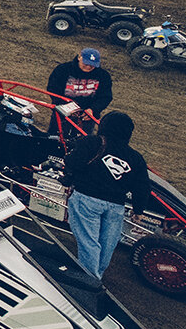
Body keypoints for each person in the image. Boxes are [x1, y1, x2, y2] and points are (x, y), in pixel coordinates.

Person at [65, 111, 151, 280]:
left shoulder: (91, 142)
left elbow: (73, 162)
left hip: (86, 199)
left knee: (88, 242)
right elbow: (142, 185)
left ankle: (89, 281)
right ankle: (98, 275)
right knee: (107, 245)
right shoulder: (136, 157)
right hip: (116, 206)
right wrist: (138, 209)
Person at [47, 47, 113, 121]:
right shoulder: (63, 70)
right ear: (79, 57)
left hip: (87, 116)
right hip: (63, 113)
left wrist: (93, 109)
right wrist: (65, 105)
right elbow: (52, 88)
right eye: (86, 63)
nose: (88, 67)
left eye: (92, 65)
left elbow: (105, 96)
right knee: (56, 132)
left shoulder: (103, 76)